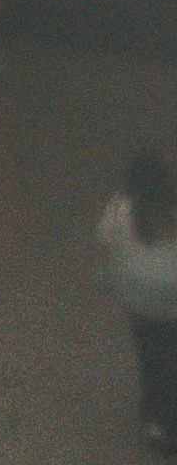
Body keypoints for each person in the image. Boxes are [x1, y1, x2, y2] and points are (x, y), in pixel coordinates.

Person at [100, 150, 177, 448]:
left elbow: (106, 242)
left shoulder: (120, 209)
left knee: (152, 359)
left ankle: (156, 422)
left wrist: (110, 276)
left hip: (141, 302)